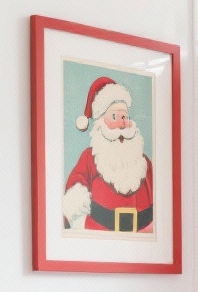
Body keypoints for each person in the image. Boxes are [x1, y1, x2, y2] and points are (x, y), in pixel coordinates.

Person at [62, 76, 153, 232]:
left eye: (124, 117)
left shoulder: (144, 161)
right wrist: (81, 223)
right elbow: (73, 196)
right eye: (114, 117)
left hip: (142, 237)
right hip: (99, 235)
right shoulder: (89, 158)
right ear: (100, 123)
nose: (122, 123)